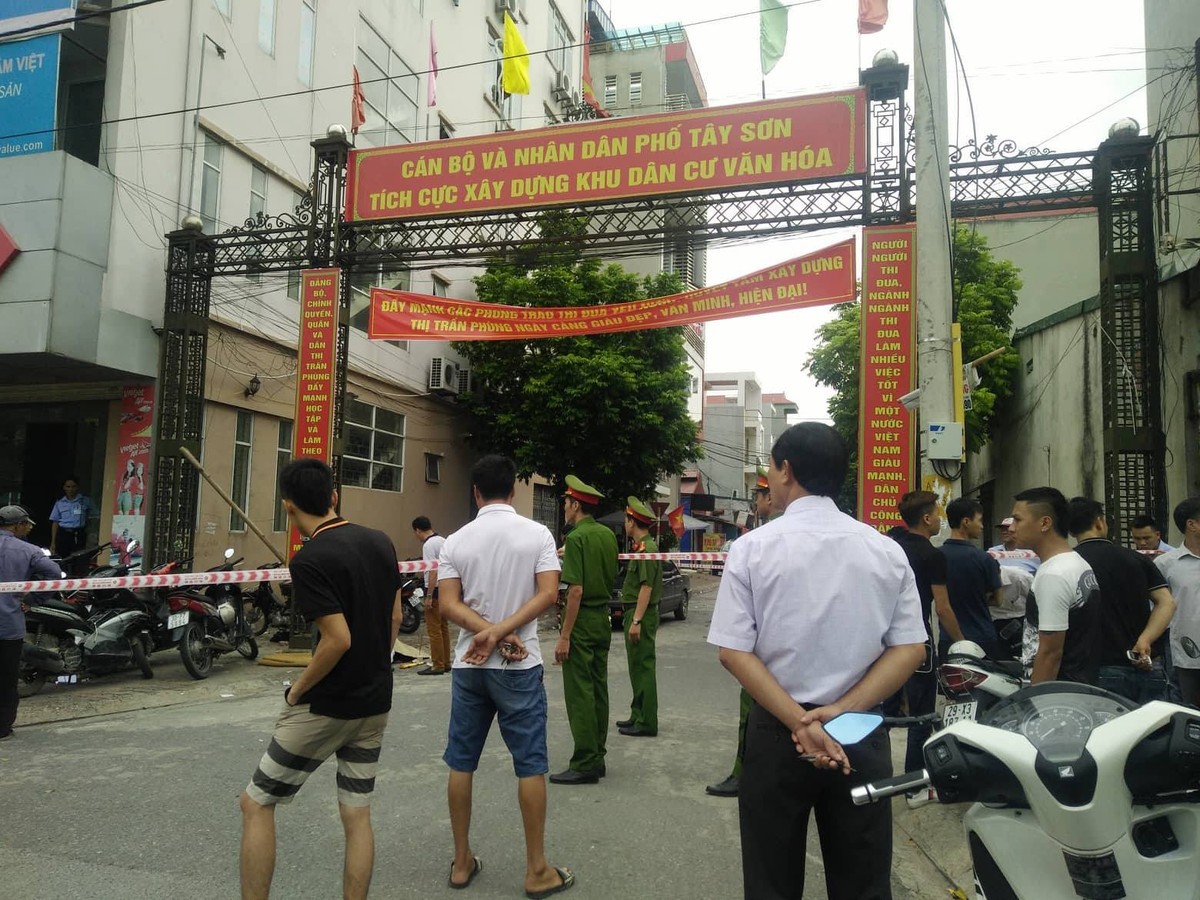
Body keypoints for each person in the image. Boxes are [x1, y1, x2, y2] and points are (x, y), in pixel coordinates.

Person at [708, 422, 927, 900]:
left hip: (777, 731)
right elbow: (910, 647)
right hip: (859, 732)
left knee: (771, 881)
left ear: (786, 471)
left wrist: (801, 723)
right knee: (863, 882)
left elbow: (733, 651)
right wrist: (842, 711)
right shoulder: (884, 550)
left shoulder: (752, 549)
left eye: (771, 468)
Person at [239, 459, 405, 900]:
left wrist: (297, 690)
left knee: (256, 802)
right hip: (375, 702)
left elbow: (336, 640)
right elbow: (394, 616)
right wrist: (378, 666)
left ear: (288, 507)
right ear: (333, 498)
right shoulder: (380, 541)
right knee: (356, 814)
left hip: (326, 705)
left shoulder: (310, 559)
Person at [435, 454, 575, 897]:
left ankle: (461, 861)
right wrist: (505, 633)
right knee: (530, 764)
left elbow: (447, 605)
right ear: (513, 491)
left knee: (461, 761)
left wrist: (486, 633)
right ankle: (536, 869)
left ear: (475, 491)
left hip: (469, 666)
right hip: (519, 664)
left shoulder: (454, 541)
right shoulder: (537, 534)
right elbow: (549, 593)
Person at [884, 490, 964, 775]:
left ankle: (879, 772)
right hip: (917, 640)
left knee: (883, 709)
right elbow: (942, 608)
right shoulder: (932, 555)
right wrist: (963, 642)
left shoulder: (891, 547)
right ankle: (914, 779)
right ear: (927, 518)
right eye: (938, 514)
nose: (941, 520)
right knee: (921, 714)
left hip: (883, 638)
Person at [1067, 497, 1176, 703]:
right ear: (1100, 522)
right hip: (1146, 663)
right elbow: (1167, 602)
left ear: (1071, 532)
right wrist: (1145, 640)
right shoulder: (1136, 558)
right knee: (1153, 732)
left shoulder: (1067, 564)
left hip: (1095, 669)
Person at [706, 471, 774, 798]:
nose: (756, 503)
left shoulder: (754, 545)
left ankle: (744, 774)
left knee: (752, 715)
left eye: (759, 496)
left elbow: (729, 647)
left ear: (771, 497)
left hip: (760, 653)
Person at [550, 474, 618, 785]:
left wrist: (564, 635)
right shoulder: (606, 534)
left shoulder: (576, 538)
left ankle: (585, 761)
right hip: (601, 617)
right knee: (598, 689)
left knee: (580, 693)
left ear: (576, 504)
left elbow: (574, 590)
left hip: (580, 620)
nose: (565, 508)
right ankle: (597, 756)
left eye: (566, 503)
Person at [1010, 487, 1101, 685]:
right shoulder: (1076, 562)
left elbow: (1051, 653)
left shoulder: (1054, 574)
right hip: (1079, 686)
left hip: (1058, 696)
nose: (1011, 528)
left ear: (1044, 523)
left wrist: (1035, 702)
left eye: (1017, 520)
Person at [1, 505, 63, 741]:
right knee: (6, 679)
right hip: (8, 625)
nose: (27, 529)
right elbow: (54, 576)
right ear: (16, 525)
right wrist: (33, 599)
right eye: (25, 525)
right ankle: (2, 728)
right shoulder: (29, 550)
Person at [616, 496, 661, 738]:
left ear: (633, 522)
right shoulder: (641, 548)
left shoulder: (647, 550)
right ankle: (637, 714)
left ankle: (646, 721)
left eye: (626, 519)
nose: (625, 524)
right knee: (636, 667)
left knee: (643, 667)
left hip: (639, 613)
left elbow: (646, 588)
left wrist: (637, 621)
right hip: (634, 611)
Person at [940, 497, 1005, 659]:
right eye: (980, 521)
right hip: (982, 637)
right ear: (966, 522)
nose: (982, 526)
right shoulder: (985, 559)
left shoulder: (937, 557)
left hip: (948, 638)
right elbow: (998, 600)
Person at [1156, 498, 1200, 707]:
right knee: (1189, 714)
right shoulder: (1166, 564)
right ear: (1192, 524)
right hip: (1185, 656)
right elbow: (1155, 610)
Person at [412, 515, 449, 676]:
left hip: (434, 590)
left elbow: (432, 570)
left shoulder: (428, 545)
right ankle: (446, 662)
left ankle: (437, 665)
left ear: (418, 530)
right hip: (446, 589)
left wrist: (428, 595)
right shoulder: (443, 540)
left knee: (433, 629)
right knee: (443, 627)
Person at [48, 476, 97, 562]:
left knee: (79, 558)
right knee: (63, 559)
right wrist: (53, 542)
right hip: (64, 534)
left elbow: (95, 516)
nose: (71, 489)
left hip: (80, 533)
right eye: (68, 487)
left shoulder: (85, 501)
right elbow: (55, 522)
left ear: (77, 487)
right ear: (64, 488)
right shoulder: (59, 503)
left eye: (73, 486)